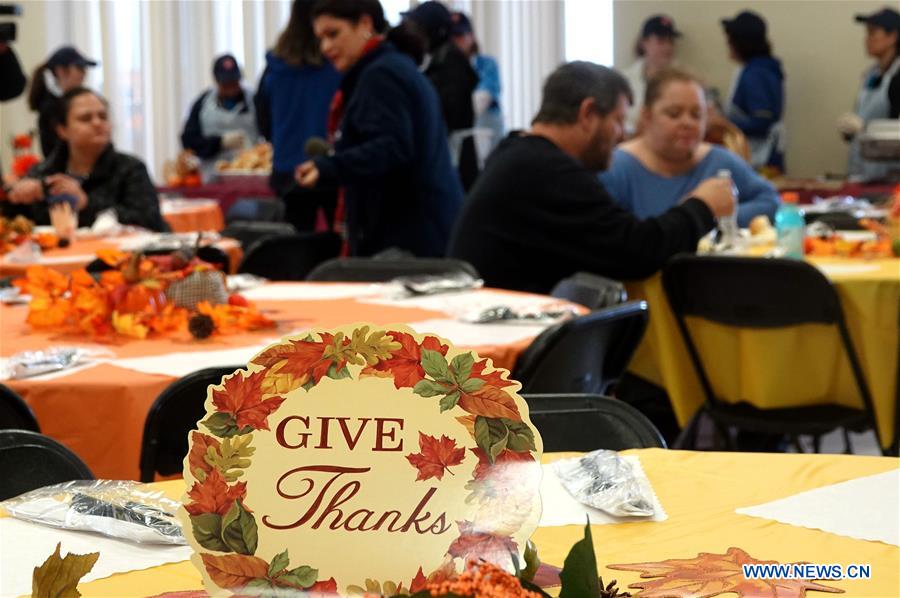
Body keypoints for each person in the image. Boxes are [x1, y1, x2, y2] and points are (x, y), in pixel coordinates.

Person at [448, 62, 735, 295]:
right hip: (500, 350)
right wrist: (703, 207)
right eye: (618, 121)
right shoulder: (548, 172)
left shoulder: (519, 153)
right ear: (587, 114)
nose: (623, 133)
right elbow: (636, 252)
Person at [295, 0, 463, 258]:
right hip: (417, 233)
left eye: (333, 34)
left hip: (408, 242)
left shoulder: (381, 75)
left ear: (365, 23)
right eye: (320, 38)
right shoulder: (389, 66)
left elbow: (391, 147)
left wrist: (329, 167)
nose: (326, 47)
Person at [601, 68, 779, 228]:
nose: (687, 123)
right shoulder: (617, 167)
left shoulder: (719, 161)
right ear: (647, 116)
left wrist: (719, 217)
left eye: (696, 115)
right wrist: (700, 213)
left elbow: (771, 202)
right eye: (674, 114)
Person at [3, 87, 166, 231]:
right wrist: (14, 197)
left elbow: (150, 221)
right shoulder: (42, 173)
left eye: (103, 116)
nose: (97, 123)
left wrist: (87, 204)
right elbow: (14, 226)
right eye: (85, 118)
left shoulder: (130, 168)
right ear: (62, 130)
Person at [255, 0, 342, 231]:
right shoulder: (337, 63)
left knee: (294, 247)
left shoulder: (274, 67)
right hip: (331, 165)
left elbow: (263, 119)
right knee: (339, 242)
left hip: (287, 167)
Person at [404, 1, 480, 189]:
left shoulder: (450, 62)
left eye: (417, 29)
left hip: (454, 161)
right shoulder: (437, 60)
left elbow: (446, 114)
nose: (412, 35)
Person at [838, 7, 900, 180]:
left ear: (892, 36)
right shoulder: (871, 75)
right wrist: (850, 131)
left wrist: (865, 130)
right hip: (863, 172)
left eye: (873, 33)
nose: (867, 39)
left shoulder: (897, 77)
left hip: (890, 176)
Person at [720, 11, 785, 172]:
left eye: (730, 40)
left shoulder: (757, 73)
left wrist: (723, 124)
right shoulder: (757, 69)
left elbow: (761, 121)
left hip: (760, 160)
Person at [181, 54, 259, 179]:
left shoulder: (255, 100)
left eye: (234, 81)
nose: (231, 88)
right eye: (226, 83)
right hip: (212, 176)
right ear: (217, 81)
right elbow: (188, 141)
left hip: (249, 177)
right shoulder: (203, 103)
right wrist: (220, 142)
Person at [27, 45, 97, 157]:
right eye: (79, 68)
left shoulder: (68, 102)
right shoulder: (51, 108)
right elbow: (56, 153)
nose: (84, 74)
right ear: (61, 71)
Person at [451, 11, 504, 156]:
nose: (456, 42)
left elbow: (481, 100)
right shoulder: (445, 71)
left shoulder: (487, 65)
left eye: (460, 36)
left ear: (471, 36)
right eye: (452, 37)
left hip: (489, 149)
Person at [622, 14, 680, 136]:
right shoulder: (624, 80)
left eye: (671, 41)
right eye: (661, 41)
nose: (667, 47)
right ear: (644, 43)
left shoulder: (683, 81)